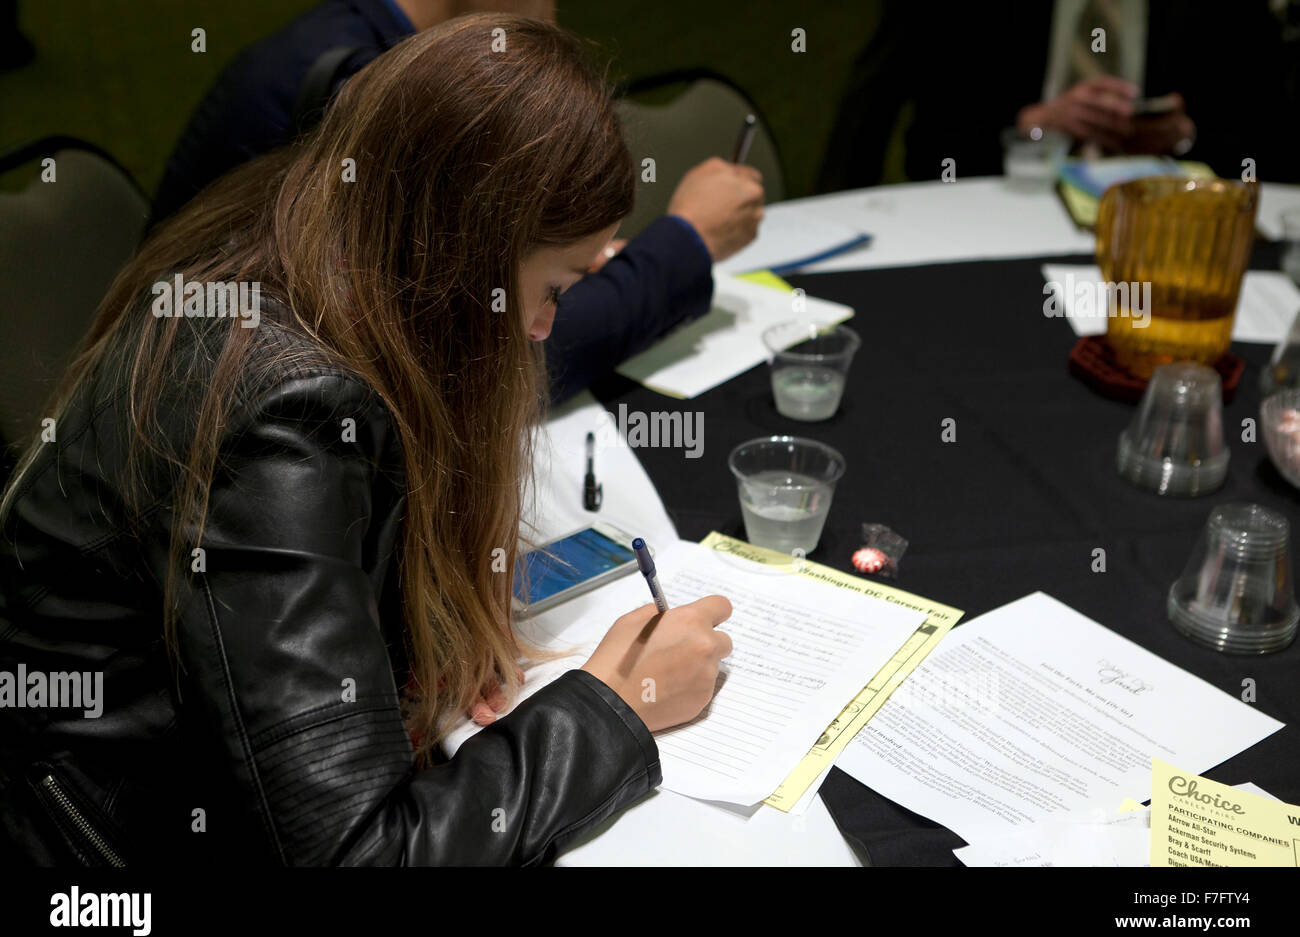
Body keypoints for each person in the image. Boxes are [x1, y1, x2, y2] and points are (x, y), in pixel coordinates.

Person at [0, 14, 733, 866]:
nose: (540, 329)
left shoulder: (306, 232)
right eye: (552, 288)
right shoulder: (282, 417)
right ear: (463, 258)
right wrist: (615, 709)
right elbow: (358, 856)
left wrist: (402, 647)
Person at [150, 0, 766, 404]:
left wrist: (546, 266)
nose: (555, 17)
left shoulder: (354, 45)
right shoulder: (377, 95)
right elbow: (488, 359)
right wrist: (687, 241)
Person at [818, 0, 1291, 190]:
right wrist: (1033, 126)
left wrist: (1185, 137)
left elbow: (1268, 143)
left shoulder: (1225, 10)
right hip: (1008, 198)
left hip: (1167, 214)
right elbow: (928, 145)